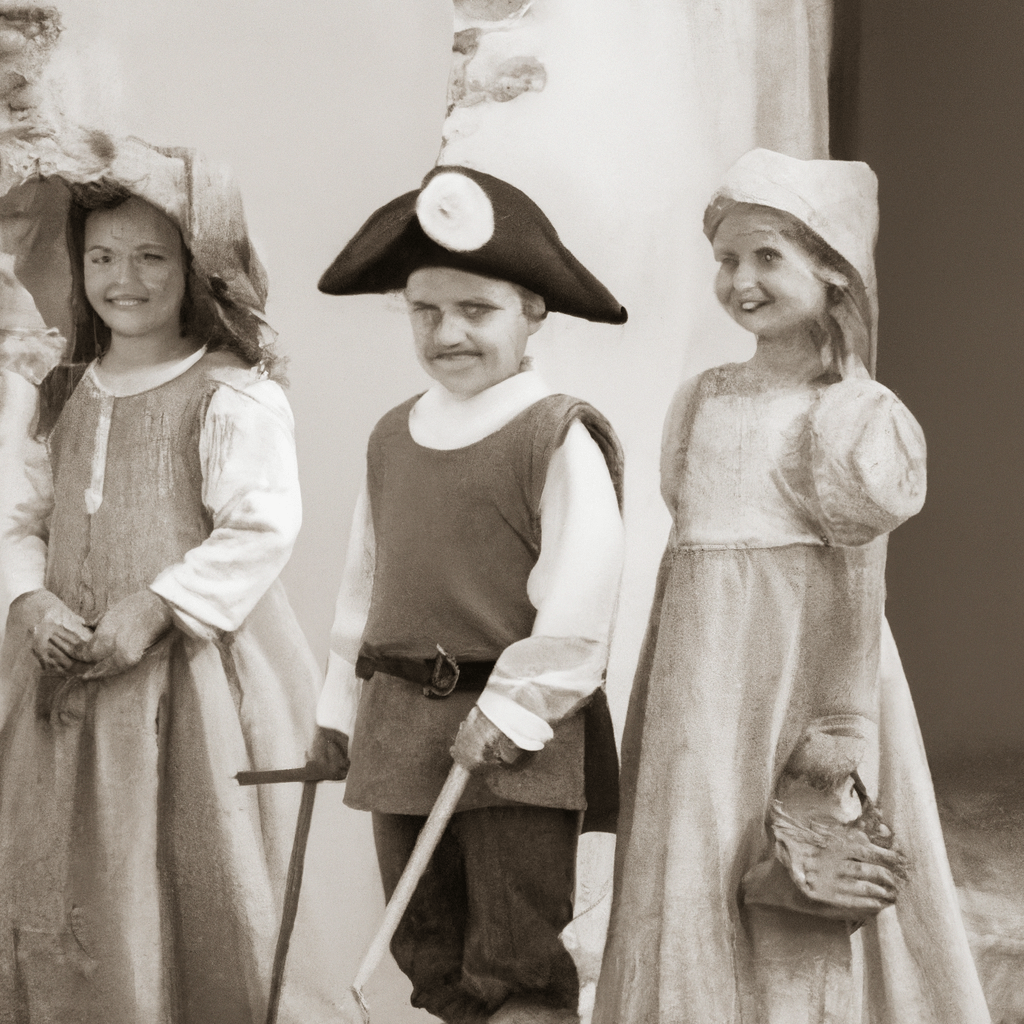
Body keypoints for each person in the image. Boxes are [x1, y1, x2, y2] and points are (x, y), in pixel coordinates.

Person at [592, 149, 991, 1024]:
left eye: (768, 256)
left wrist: (843, 721)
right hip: (701, 682)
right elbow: (696, 554)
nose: (741, 280)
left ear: (833, 273)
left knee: (802, 872)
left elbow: (858, 582)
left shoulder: (852, 416)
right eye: (728, 260)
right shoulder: (701, 400)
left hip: (802, 681)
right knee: (694, 855)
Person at [0, 137, 331, 1023]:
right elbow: (17, 521)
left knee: (174, 860)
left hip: (181, 687)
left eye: (152, 257)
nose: (125, 280)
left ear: (199, 266)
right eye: (102, 257)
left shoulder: (233, 392)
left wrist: (156, 604)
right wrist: (30, 600)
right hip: (61, 682)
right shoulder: (61, 388)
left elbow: (262, 526)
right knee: (54, 861)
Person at [310, 165, 627, 1024]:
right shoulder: (390, 437)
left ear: (533, 313)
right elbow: (365, 589)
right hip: (403, 729)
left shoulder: (556, 437)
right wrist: (340, 712)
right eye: (426, 310)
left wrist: (518, 712)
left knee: (514, 955)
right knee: (429, 948)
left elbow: (580, 597)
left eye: (476, 310)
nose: (448, 332)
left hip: (513, 743)